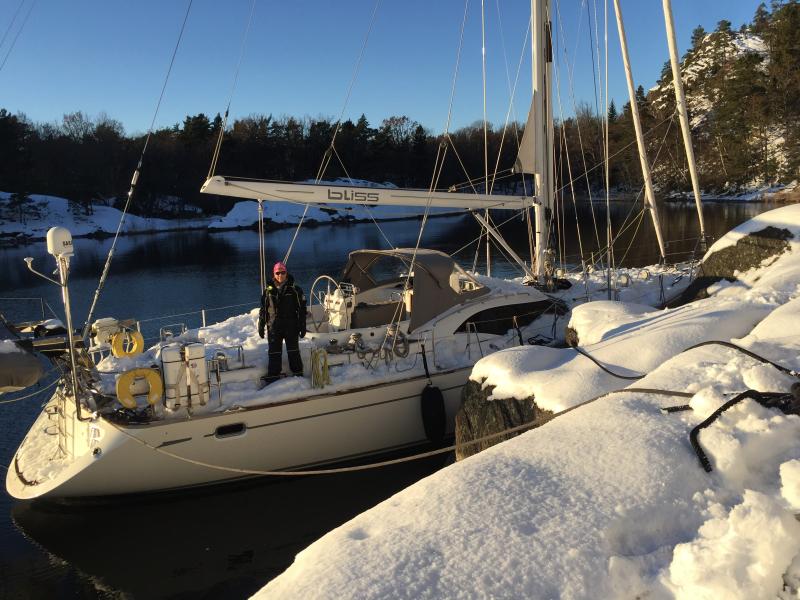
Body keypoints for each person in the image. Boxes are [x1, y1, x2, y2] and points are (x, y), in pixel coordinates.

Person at [257, 262, 307, 383]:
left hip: (291, 325)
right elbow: (264, 309)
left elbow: (301, 309)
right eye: (278, 273)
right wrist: (261, 324)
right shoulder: (268, 290)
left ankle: (298, 375)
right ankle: (273, 377)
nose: (280, 275)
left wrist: (302, 325)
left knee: (293, 351)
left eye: (283, 272)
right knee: (274, 352)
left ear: (286, 273)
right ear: (274, 274)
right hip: (274, 326)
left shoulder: (295, 289)